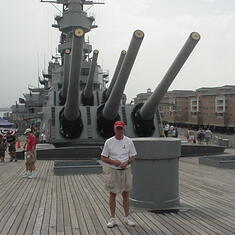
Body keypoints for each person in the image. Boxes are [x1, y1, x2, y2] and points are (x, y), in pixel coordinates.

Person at [101, 121, 137, 228]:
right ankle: (112, 218)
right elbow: (103, 157)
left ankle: (127, 217)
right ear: (114, 129)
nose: (119, 131)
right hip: (113, 171)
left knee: (126, 194)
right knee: (113, 194)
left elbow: (133, 156)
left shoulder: (129, 141)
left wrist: (127, 162)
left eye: (121, 128)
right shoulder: (109, 142)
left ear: (124, 129)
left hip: (126, 170)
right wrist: (114, 162)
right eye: (118, 128)